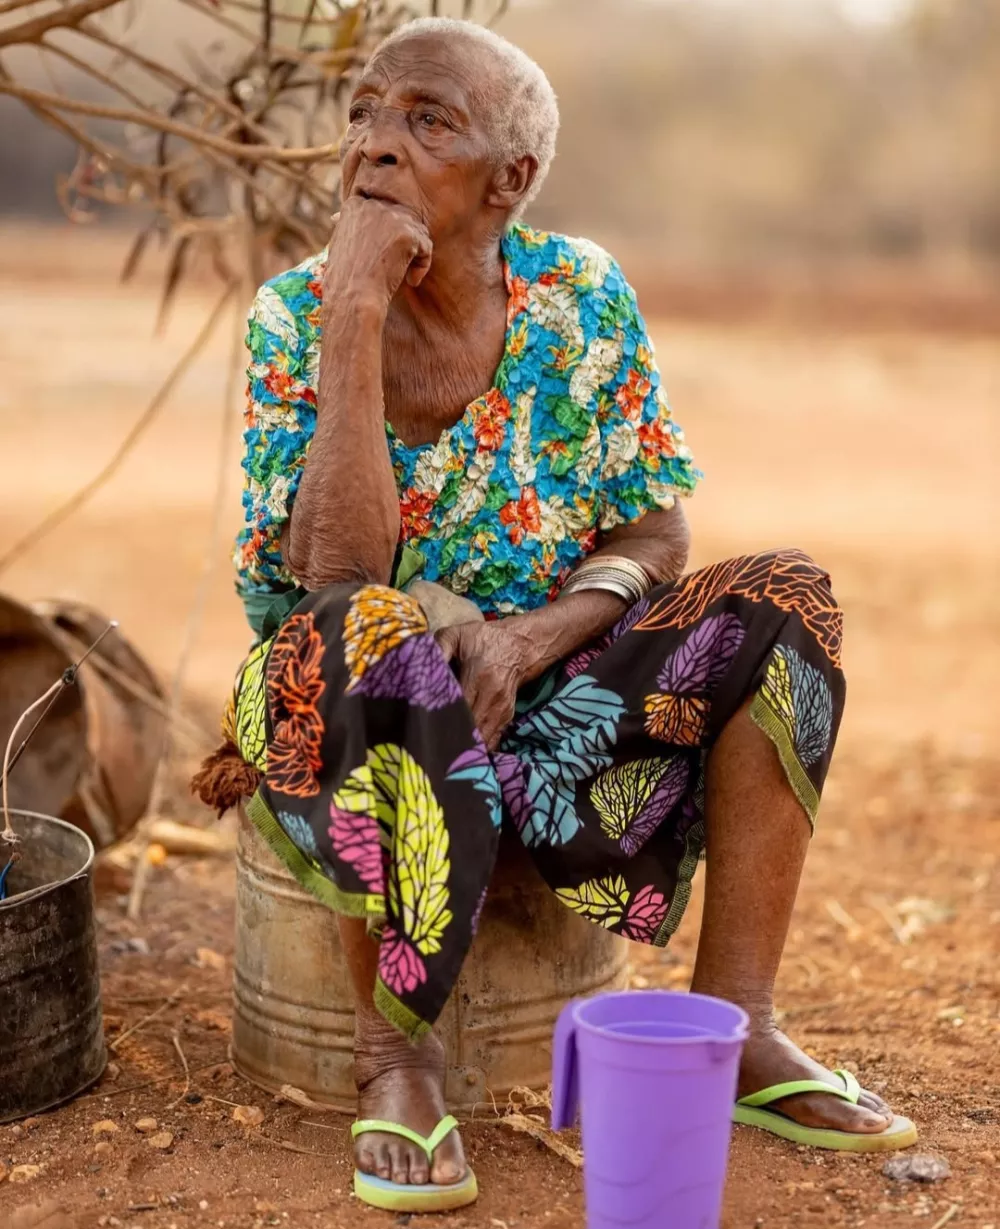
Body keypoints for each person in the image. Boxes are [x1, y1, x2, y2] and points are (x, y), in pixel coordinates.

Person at [194, 16, 916, 1214]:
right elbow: (332, 575)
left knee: (783, 598)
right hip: (344, 708)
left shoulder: (579, 295)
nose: (375, 144)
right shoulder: (297, 311)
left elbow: (655, 531)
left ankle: (739, 1022)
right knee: (369, 626)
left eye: (427, 121)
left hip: (537, 692)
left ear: (508, 180)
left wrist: (528, 638)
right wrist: (355, 313)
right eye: (364, 112)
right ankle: (396, 1060)